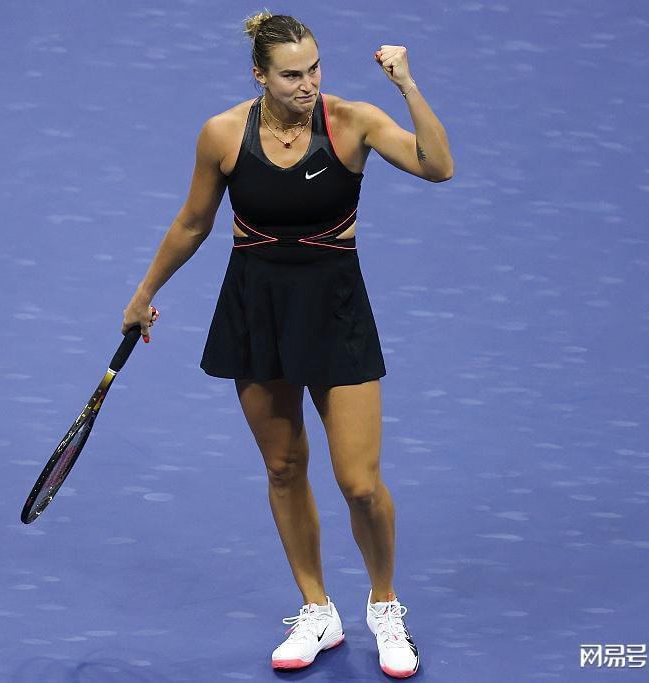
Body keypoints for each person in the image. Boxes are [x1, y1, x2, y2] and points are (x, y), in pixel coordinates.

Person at [121, 11, 453, 679]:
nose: (308, 84)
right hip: (256, 309)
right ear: (260, 75)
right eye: (292, 74)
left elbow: (437, 166)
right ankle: (316, 608)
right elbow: (193, 222)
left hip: (335, 310)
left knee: (359, 483)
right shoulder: (223, 133)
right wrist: (144, 292)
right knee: (282, 467)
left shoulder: (353, 122)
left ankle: (384, 604)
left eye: (315, 68)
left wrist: (408, 86)